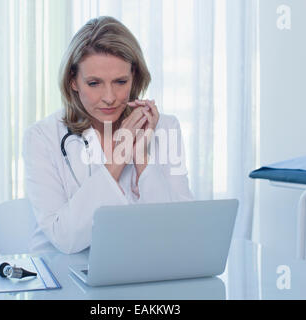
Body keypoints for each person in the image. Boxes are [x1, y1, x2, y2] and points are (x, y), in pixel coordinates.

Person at [23, 16, 194, 254]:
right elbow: (65, 238)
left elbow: (179, 229)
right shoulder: (41, 137)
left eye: (120, 82)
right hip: (63, 274)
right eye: (94, 83)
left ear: (134, 76)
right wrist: (120, 156)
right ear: (73, 81)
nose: (110, 97)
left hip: (142, 270)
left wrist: (142, 158)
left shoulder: (165, 128)